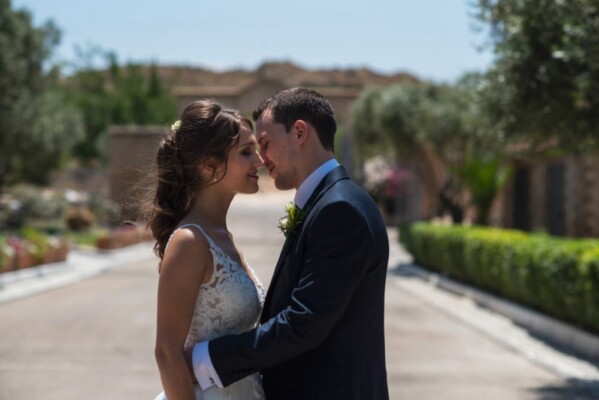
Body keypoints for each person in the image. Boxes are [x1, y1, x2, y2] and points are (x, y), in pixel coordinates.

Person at [191, 88, 390, 399]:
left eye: (265, 143)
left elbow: (304, 323)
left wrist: (209, 358)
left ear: (299, 133)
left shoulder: (340, 210)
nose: (261, 159)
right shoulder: (330, 202)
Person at [149, 100, 267, 399]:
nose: (259, 161)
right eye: (246, 152)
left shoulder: (223, 236)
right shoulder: (190, 242)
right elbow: (166, 352)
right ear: (208, 166)